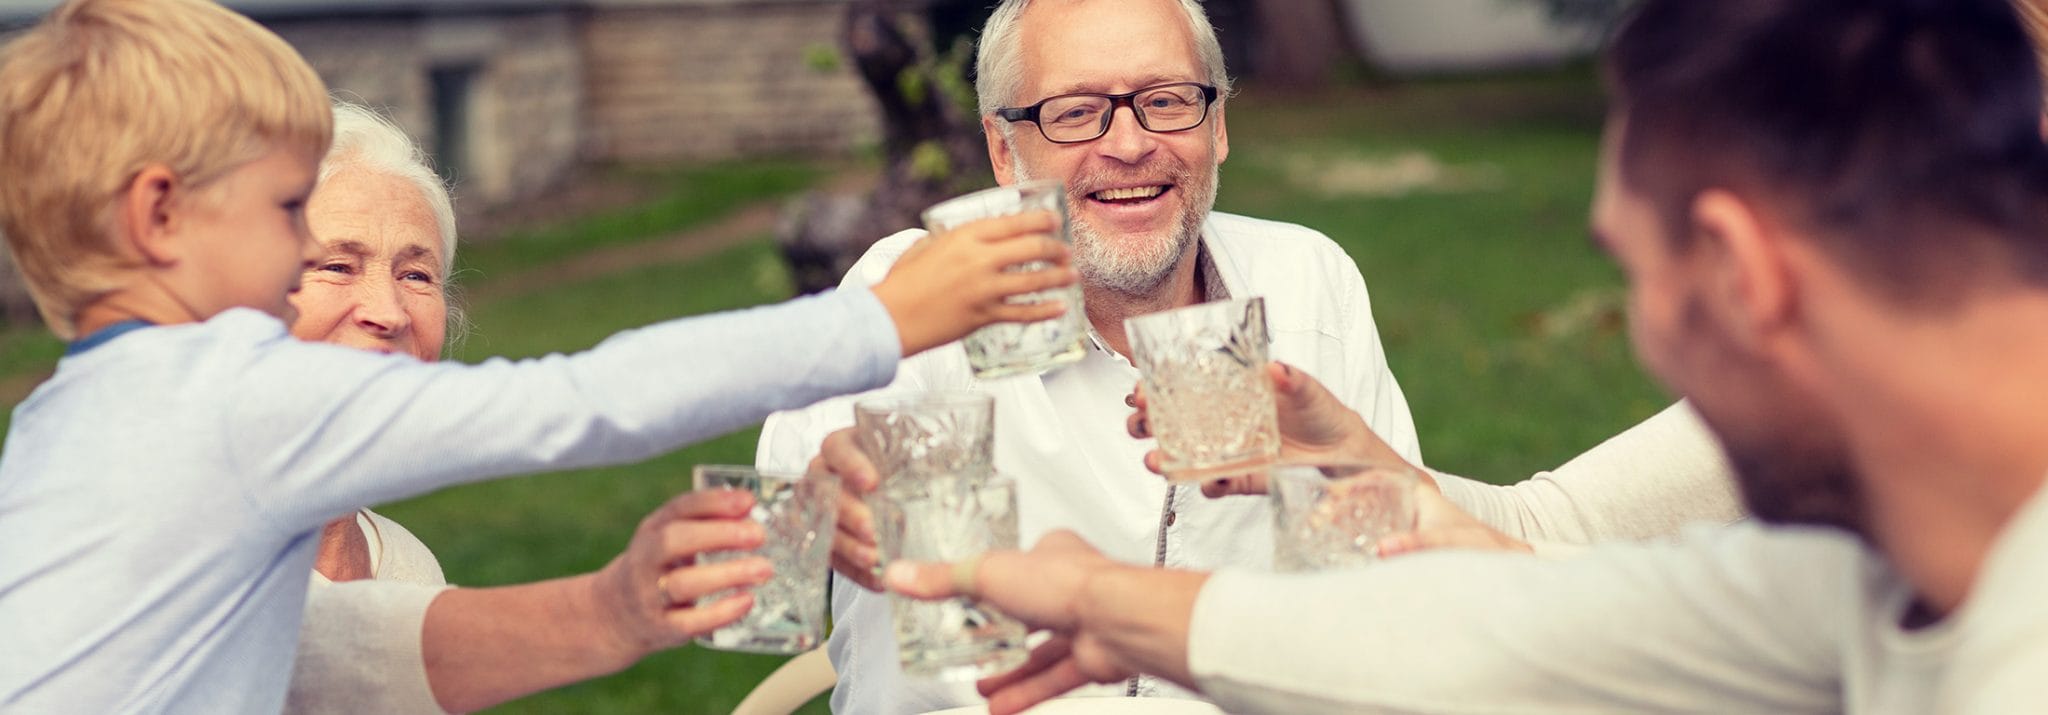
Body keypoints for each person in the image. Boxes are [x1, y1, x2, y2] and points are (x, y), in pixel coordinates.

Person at [878, 0, 2048, 712]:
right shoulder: (1880, 578)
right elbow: (1574, 607)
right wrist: (1105, 595)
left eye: (1630, 272)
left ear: (1747, 276)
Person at [0, 1, 1076, 710]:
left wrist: (613, 606)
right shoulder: (230, 395)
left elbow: (325, 652)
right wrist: (879, 319)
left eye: (414, 271)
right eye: (290, 212)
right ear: (158, 217)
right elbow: (579, 402)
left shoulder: (64, 423)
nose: (297, 252)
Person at [759, 0, 1739, 708]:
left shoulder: (1301, 282)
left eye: (1166, 101)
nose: (1130, 142)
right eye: (1074, 112)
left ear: (1218, 125)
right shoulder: (916, 291)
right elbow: (772, 573)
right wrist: (822, 503)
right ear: (1003, 151)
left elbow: (1387, 586)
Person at [281, 101, 771, 714]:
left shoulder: (403, 563)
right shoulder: (179, 551)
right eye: (335, 265)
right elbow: (319, 652)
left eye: (416, 275)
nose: (390, 310)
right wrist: (612, 610)